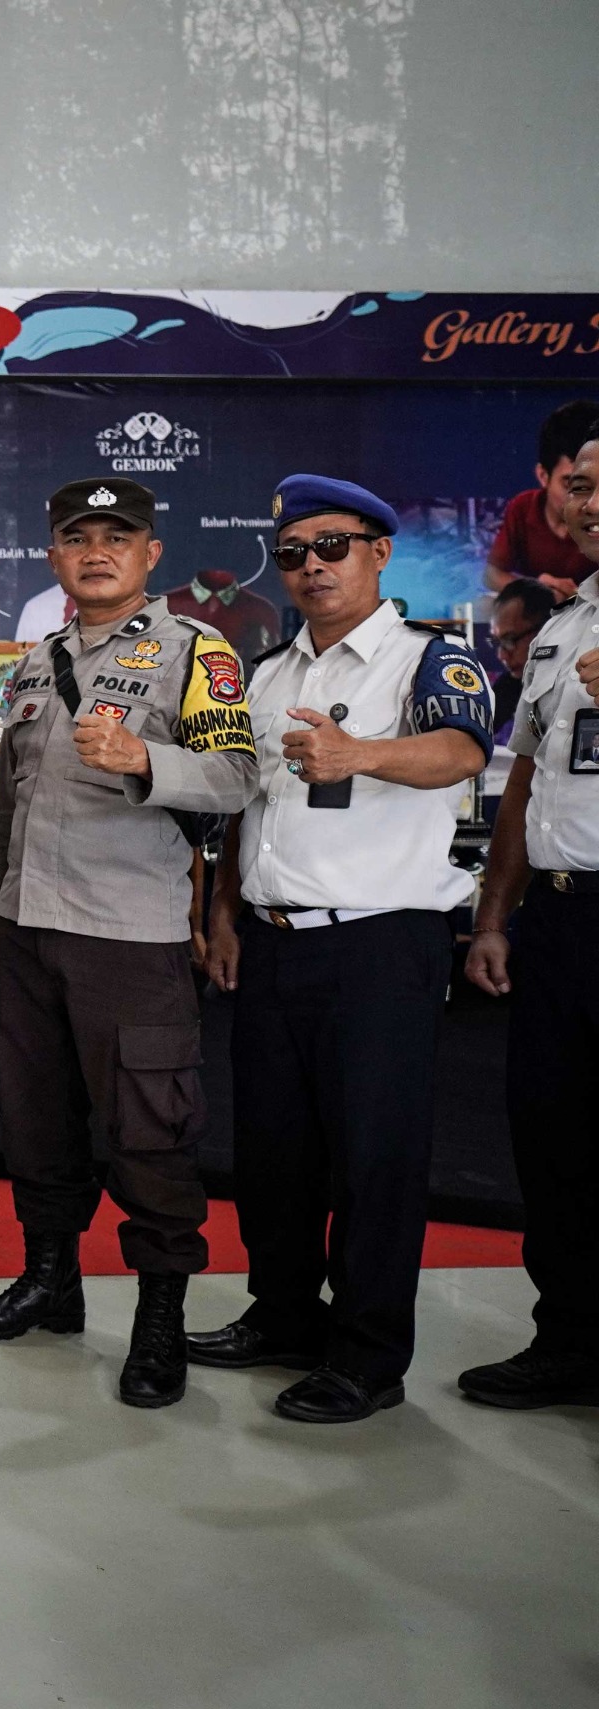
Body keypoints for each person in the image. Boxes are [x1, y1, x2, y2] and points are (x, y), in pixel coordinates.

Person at [195, 475, 492, 1423]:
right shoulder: (272, 671)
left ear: (379, 552)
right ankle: (283, 1313)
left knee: (375, 1158)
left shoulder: (429, 658)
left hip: (380, 947)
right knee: (272, 1153)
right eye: (293, 553)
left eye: (333, 546)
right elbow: (248, 807)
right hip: (275, 943)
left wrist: (360, 754)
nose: (312, 566)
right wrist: (226, 915)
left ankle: (368, 1354)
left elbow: (462, 752)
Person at [0, 479, 257, 1409]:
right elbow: (4, 803)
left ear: (150, 554)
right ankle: (52, 1281)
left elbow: (239, 777)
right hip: (26, 930)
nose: (95, 551)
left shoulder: (196, 654)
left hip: (129, 939)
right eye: (76, 537)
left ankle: (159, 1317)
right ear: (52, 557)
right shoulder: (38, 664)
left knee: (148, 1133)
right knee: (35, 1118)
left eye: (116, 536)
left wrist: (146, 761)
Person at [462, 425, 599, 1409]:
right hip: (555, 920)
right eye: (581, 486)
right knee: (553, 1139)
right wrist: (494, 914)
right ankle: (569, 1339)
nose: (589, 504)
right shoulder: (559, 624)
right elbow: (523, 783)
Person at [484, 399, 599, 597]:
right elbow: (492, 575)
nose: (594, 505)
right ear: (543, 476)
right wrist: (539, 590)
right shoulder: (523, 508)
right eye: (575, 485)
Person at [489, 577, 559, 745]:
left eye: (510, 640)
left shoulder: (579, 683)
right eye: (498, 642)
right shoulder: (510, 685)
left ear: (545, 630)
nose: (502, 656)